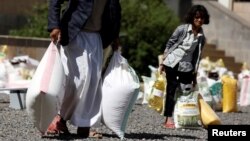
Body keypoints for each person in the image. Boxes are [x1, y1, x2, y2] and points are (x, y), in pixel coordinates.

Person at [46, 0, 121, 138]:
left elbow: (114, 9)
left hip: (96, 37)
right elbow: (55, 1)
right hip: (75, 33)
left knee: (93, 82)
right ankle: (60, 118)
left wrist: (114, 35)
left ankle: (84, 124)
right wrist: (54, 26)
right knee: (79, 80)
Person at [158, 4, 210, 129]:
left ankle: (183, 116)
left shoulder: (202, 38)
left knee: (186, 91)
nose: (199, 20)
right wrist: (163, 62)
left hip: (187, 67)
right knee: (172, 89)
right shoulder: (181, 29)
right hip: (172, 62)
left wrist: (194, 75)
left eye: (202, 18)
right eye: (197, 17)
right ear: (192, 17)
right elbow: (170, 43)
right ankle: (168, 118)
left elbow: (197, 57)